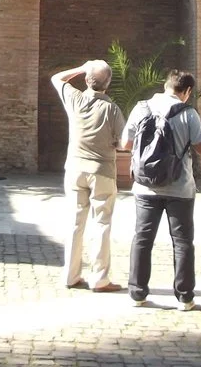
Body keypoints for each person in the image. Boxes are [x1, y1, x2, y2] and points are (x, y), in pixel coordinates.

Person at [121, 70, 201, 311]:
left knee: (142, 238)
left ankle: (137, 293)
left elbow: (126, 144)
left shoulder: (141, 108)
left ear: (165, 85)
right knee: (182, 242)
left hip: (145, 187)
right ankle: (185, 297)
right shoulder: (189, 113)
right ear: (187, 91)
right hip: (180, 188)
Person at [50, 59, 126, 292]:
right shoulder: (112, 109)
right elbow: (124, 142)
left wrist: (82, 68)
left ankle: (70, 275)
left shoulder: (75, 99)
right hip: (102, 171)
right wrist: (113, 143)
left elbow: (56, 78)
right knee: (102, 223)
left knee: (75, 223)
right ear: (108, 83)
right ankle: (99, 278)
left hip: (75, 168)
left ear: (86, 80)